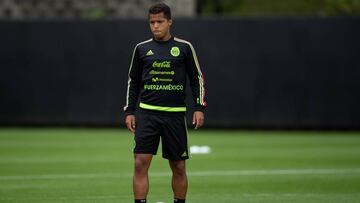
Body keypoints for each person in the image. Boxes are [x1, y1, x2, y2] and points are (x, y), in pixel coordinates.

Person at [124, 3, 206, 203]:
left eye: (160, 21)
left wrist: (199, 107)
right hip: (147, 114)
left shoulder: (184, 48)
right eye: (152, 22)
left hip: (174, 115)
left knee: (178, 166)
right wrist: (130, 111)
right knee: (140, 164)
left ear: (169, 22)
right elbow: (133, 81)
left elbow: (197, 78)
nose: (155, 26)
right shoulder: (141, 49)